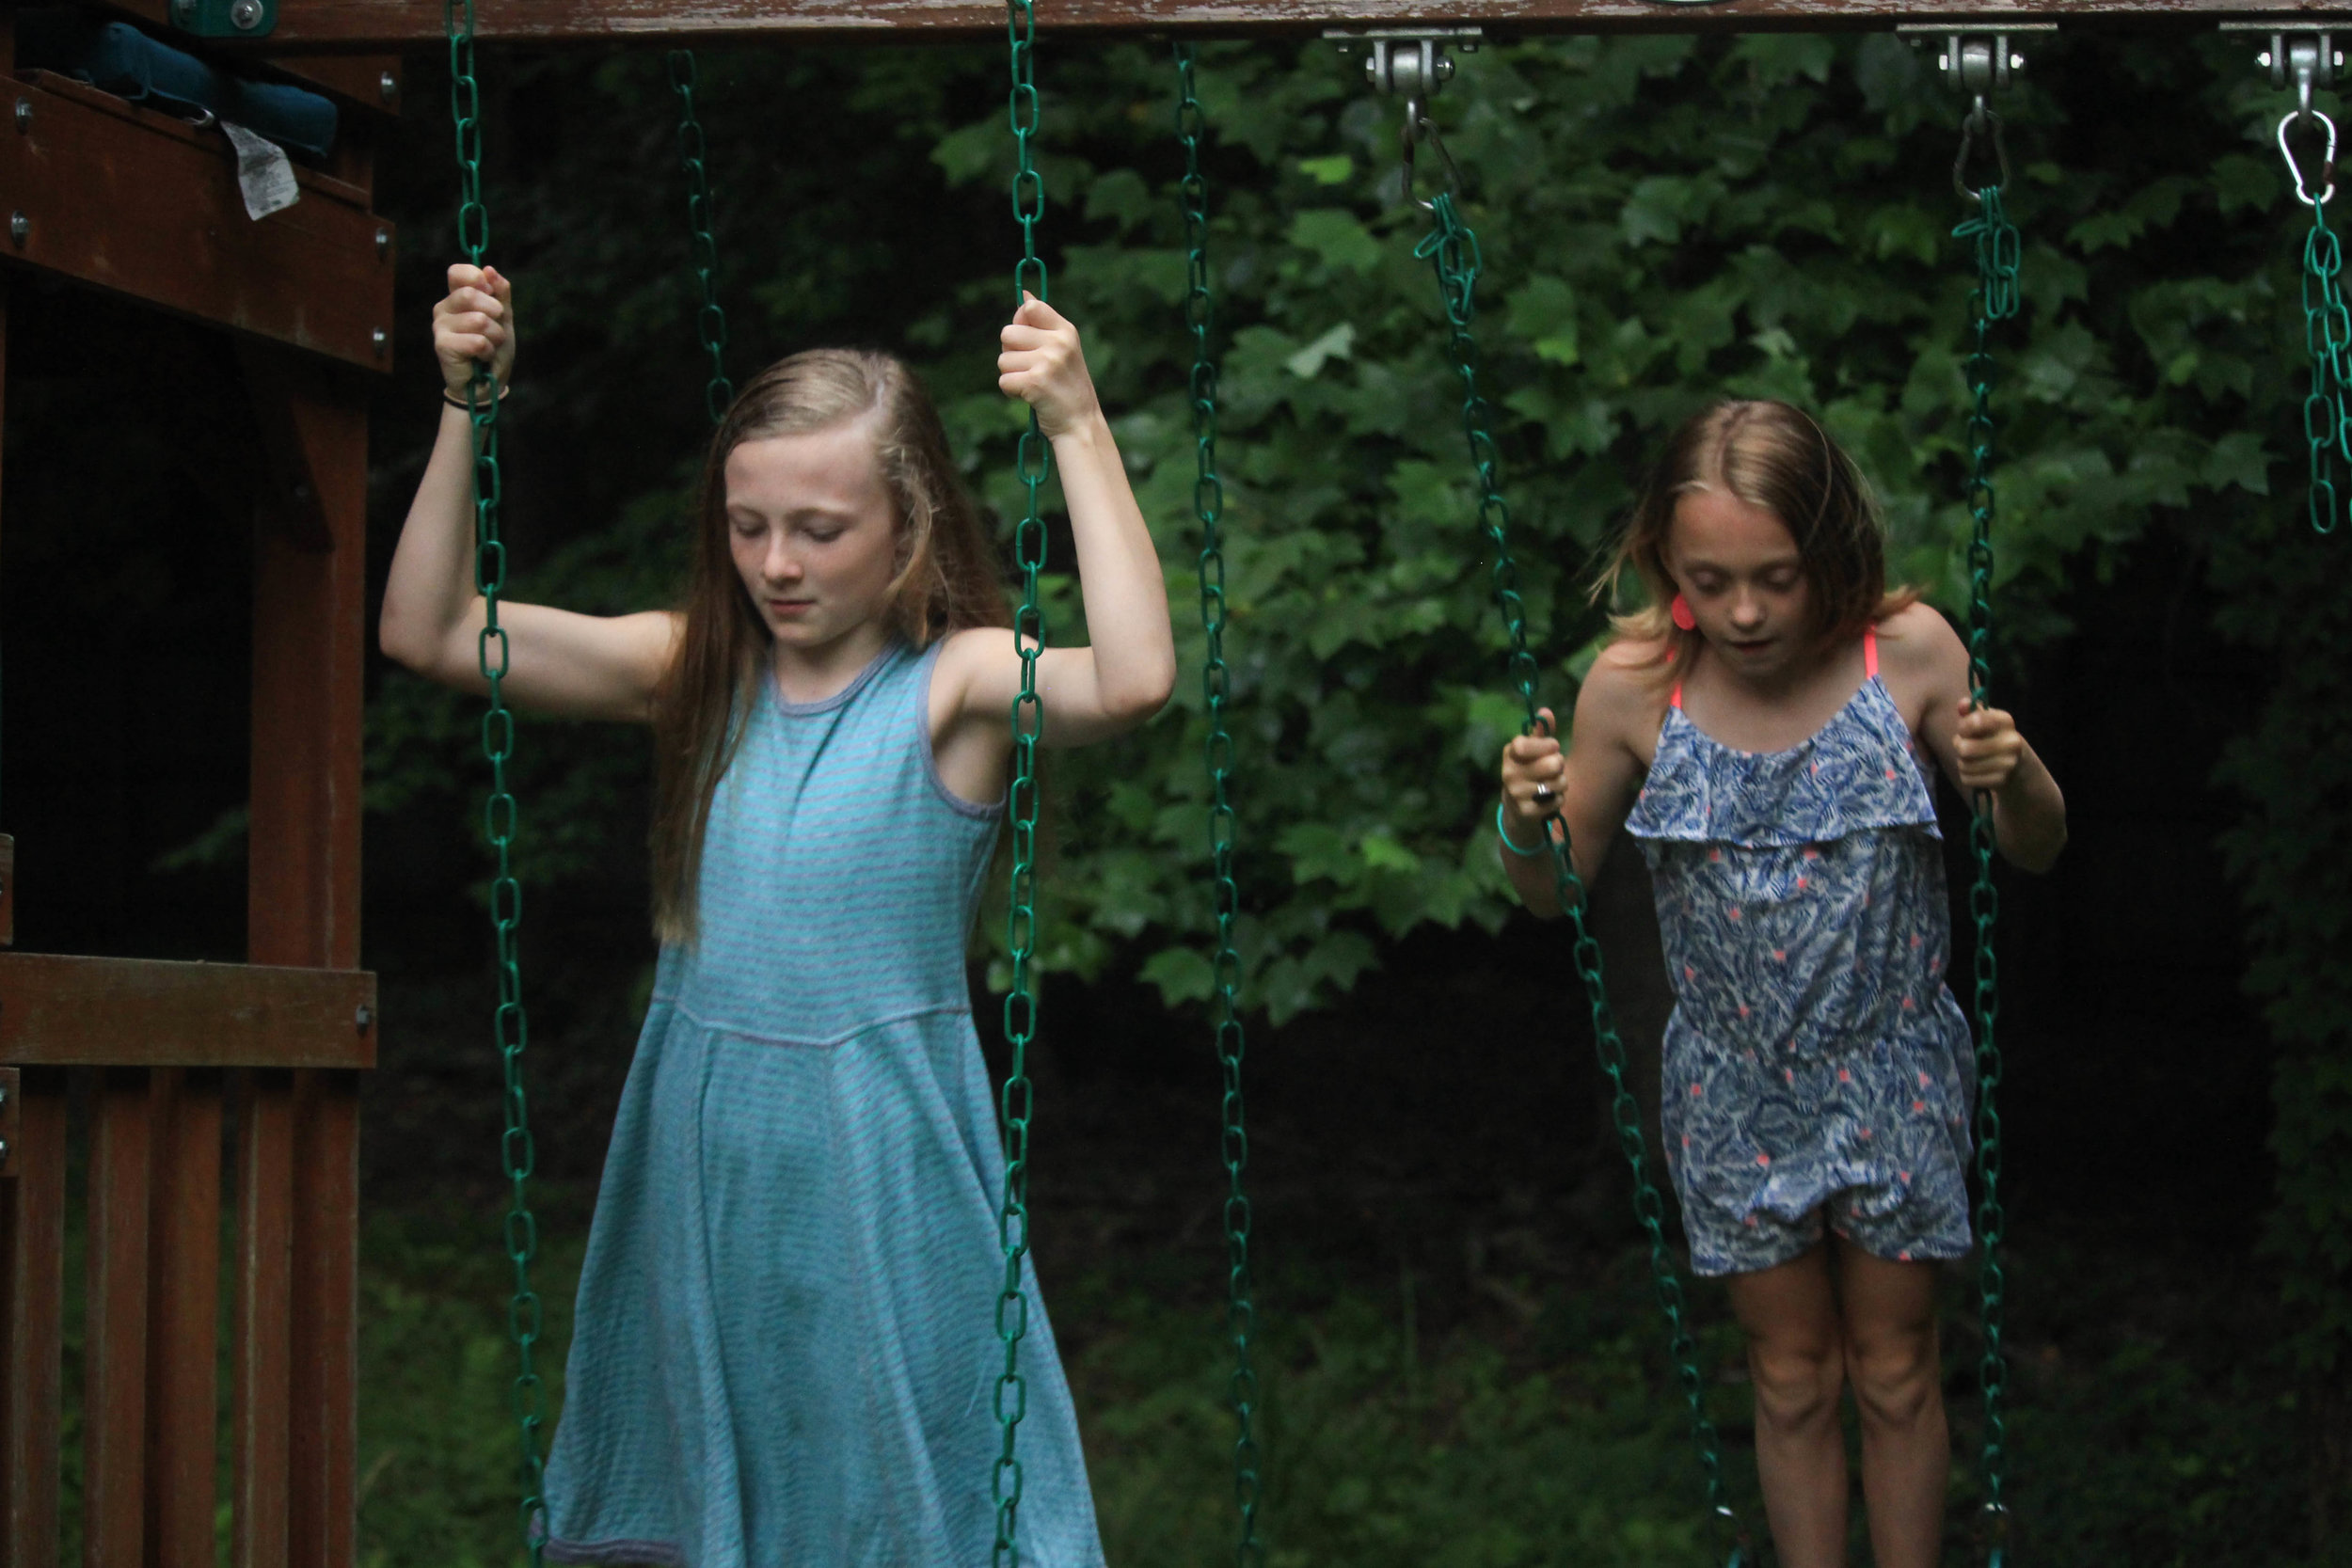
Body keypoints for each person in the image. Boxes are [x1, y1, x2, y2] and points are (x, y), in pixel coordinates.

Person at [382, 262, 1172, 1567]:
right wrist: (470, 406)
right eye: (748, 526)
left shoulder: (954, 687)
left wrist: (1078, 426)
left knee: (900, 1481)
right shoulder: (694, 669)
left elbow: (1136, 677)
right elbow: (430, 628)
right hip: (705, 1149)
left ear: (907, 519)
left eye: (819, 526)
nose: (777, 563)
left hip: (881, 1149)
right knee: (715, 1478)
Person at [1495, 400, 2065, 1568]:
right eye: (1711, 578)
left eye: (1778, 577)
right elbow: (1549, 891)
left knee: (1897, 1364)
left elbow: (2035, 845)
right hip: (1732, 1084)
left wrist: (2016, 774)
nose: (1745, 610)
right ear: (1664, 561)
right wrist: (1520, 822)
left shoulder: (1906, 654)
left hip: (1891, 1065)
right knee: (1790, 1372)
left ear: (1833, 553)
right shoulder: (1630, 686)